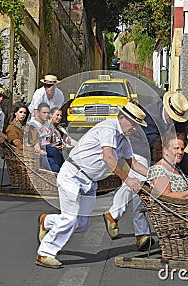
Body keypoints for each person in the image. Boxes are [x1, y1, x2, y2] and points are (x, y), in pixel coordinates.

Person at [36, 101, 149, 268]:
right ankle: (45, 253)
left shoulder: (124, 139)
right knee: (70, 218)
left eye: (137, 125)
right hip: (73, 175)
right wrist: (128, 180)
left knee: (81, 225)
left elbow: (133, 163)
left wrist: (154, 176)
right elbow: (108, 157)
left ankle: (47, 221)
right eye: (133, 123)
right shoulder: (109, 128)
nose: (135, 128)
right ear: (122, 118)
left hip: (89, 182)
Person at [104, 91, 188, 251]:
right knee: (137, 178)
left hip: (164, 150)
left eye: (177, 118)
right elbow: (151, 143)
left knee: (142, 189)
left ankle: (141, 234)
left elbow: (181, 139)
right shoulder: (150, 115)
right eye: (172, 116)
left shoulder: (185, 120)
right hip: (139, 146)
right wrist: (162, 167)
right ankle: (117, 216)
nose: (174, 120)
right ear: (166, 107)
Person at [29, 102, 63, 172]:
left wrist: (55, 145)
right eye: (44, 113)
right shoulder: (33, 125)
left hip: (47, 148)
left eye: (47, 113)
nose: (46, 115)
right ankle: (59, 173)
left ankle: (61, 172)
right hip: (36, 151)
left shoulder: (49, 125)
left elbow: (52, 141)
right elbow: (33, 142)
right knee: (53, 157)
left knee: (58, 151)